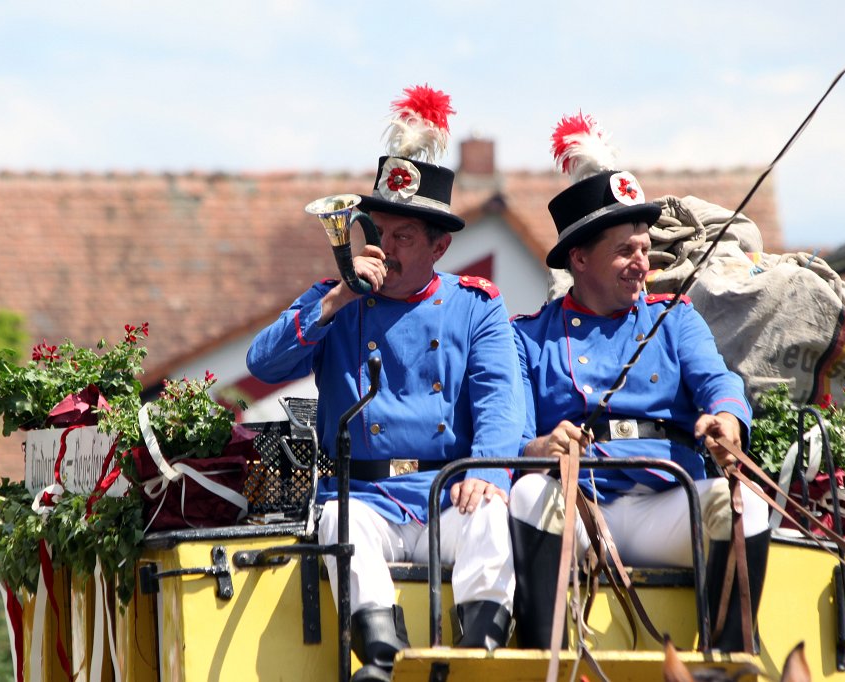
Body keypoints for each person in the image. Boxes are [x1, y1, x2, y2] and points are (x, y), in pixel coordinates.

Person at [247, 85, 522, 681]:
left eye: (403, 239)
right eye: (378, 235)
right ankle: (380, 659)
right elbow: (262, 365)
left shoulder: (476, 308)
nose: (385, 251)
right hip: (364, 498)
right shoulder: (335, 299)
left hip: (445, 493)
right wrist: (341, 297)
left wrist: (489, 471)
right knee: (342, 524)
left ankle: (477, 662)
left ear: (439, 246)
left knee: (492, 517)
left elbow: (503, 400)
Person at [507, 112, 770, 653]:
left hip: (664, 501)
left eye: (645, 250)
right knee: (531, 493)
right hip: (577, 508)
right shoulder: (528, 337)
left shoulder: (674, 319)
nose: (641, 264)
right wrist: (538, 447)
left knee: (747, 505)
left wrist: (726, 417)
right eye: (625, 251)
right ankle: (541, 658)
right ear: (579, 258)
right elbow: (505, 430)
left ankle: (726, 659)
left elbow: (718, 380)